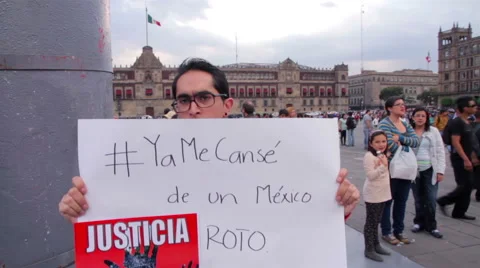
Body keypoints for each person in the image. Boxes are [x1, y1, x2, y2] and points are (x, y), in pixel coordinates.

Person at [58, 58, 360, 224]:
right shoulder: (145, 162)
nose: (193, 108)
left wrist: (338, 202)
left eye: (204, 97)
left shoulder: (268, 156)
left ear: (227, 105)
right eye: (183, 100)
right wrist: (86, 211)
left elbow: (300, 212)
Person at [378, 96, 420, 245]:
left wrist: (400, 138)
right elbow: (389, 145)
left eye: (403, 104)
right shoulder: (384, 124)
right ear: (389, 108)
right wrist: (403, 143)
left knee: (402, 201)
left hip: (405, 169)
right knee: (387, 201)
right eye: (399, 105)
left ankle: (399, 230)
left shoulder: (405, 123)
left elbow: (416, 141)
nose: (403, 107)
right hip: (390, 168)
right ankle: (387, 231)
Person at [437, 96, 478, 220]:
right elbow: (456, 142)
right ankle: (444, 200)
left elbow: (470, 142)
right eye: (472, 106)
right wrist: (465, 159)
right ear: (465, 108)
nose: (475, 107)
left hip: (468, 157)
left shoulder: (468, 121)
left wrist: (473, 156)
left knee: (468, 185)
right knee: (465, 185)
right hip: (459, 158)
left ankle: (459, 212)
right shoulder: (457, 122)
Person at [410, 108, 445, 239]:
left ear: (427, 118)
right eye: (417, 116)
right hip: (414, 170)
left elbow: (440, 151)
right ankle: (419, 222)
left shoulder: (433, 131)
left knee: (430, 199)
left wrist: (440, 170)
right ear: (412, 117)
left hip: (430, 168)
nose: (420, 118)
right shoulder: (409, 131)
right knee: (418, 198)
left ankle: (432, 226)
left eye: (423, 116)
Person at [362, 130, 392, 262]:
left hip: (383, 192)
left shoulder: (383, 154)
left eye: (383, 141)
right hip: (373, 193)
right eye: (377, 142)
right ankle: (369, 249)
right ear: (371, 143)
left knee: (377, 221)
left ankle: (376, 244)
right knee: (371, 222)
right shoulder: (369, 156)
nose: (381, 144)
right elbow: (371, 176)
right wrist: (382, 167)